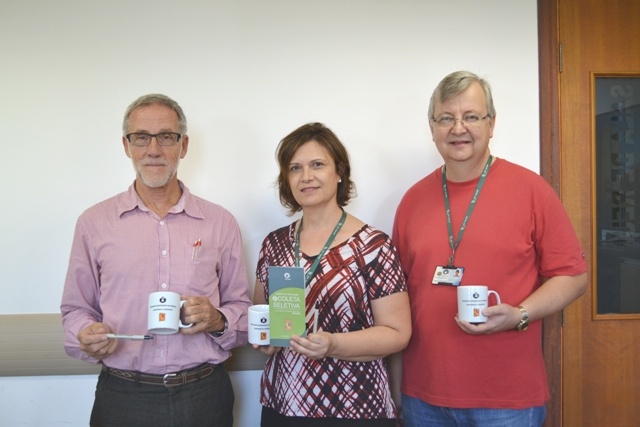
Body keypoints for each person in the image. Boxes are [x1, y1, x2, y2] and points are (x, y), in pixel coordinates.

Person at [391, 71, 589, 427]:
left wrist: (521, 314)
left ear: (491, 123)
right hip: (424, 396)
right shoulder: (412, 200)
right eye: (446, 118)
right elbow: (397, 296)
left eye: (470, 116)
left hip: (508, 399)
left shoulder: (532, 190)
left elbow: (573, 276)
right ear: (432, 127)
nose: (458, 128)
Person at [60, 93, 252, 427]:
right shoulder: (94, 223)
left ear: (184, 145)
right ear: (126, 145)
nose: (153, 149)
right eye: (141, 138)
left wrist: (218, 319)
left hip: (204, 393)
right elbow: (75, 309)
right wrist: (85, 333)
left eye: (166, 137)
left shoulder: (220, 222)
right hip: (122, 396)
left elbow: (241, 306)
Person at [252, 122, 412, 427]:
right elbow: (263, 314)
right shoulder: (274, 244)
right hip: (284, 404)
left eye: (317, 165)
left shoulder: (373, 245)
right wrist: (266, 340)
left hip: (357, 407)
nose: (306, 176)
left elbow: (397, 333)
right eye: (295, 167)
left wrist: (333, 344)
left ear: (339, 172)